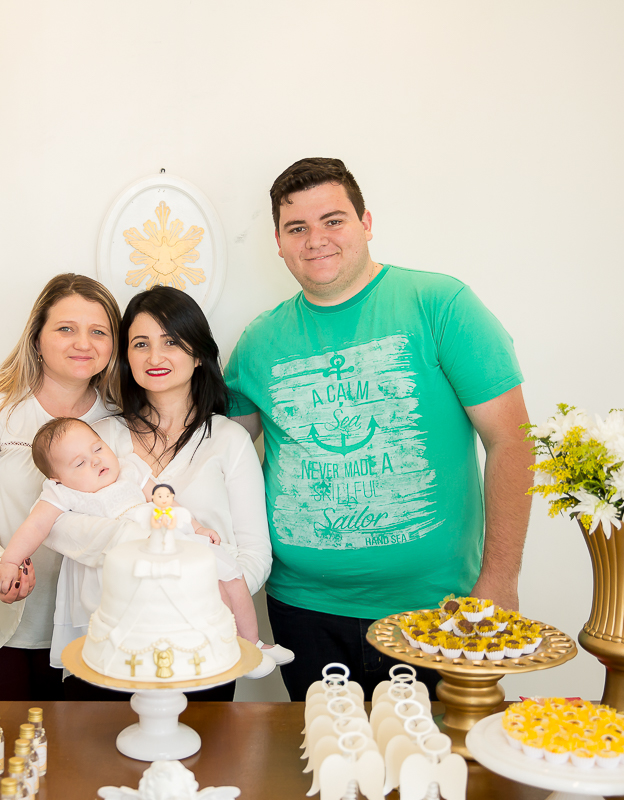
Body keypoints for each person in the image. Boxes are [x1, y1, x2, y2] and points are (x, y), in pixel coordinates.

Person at [224, 157, 535, 701]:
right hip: (302, 609)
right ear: (278, 241)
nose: (316, 240)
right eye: (297, 228)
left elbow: (511, 441)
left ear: (366, 223)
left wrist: (501, 579)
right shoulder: (259, 342)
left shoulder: (441, 306)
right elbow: (215, 453)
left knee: (434, 777)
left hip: (437, 607)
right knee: (332, 769)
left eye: (333, 220)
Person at [43, 285, 276, 699]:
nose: (154, 357)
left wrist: (193, 599)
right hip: (112, 645)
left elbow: (254, 553)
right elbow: (60, 527)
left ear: (199, 351)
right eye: (140, 343)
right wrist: (136, 540)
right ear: (125, 355)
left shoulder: (228, 440)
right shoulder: (100, 440)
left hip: (202, 647)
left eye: (171, 341)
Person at [0, 273, 121, 701]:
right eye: (66, 328)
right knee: (0, 758)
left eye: (98, 331)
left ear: (113, 345)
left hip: (76, 624)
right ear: (37, 338)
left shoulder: (119, 420)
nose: (82, 343)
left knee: (70, 762)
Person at [0, 416, 291, 664]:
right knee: (207, 594)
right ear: (57, 479)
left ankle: (252, 645)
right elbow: (35, 526)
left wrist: (196, 527)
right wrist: (10, 561)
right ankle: (227, 649)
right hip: (130, 563)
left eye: (98, 449)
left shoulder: (129, 469)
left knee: (231, 574)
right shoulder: (63, 494)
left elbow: (166, 502)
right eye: (78, 464)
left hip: (172, 539)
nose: (94, 461)